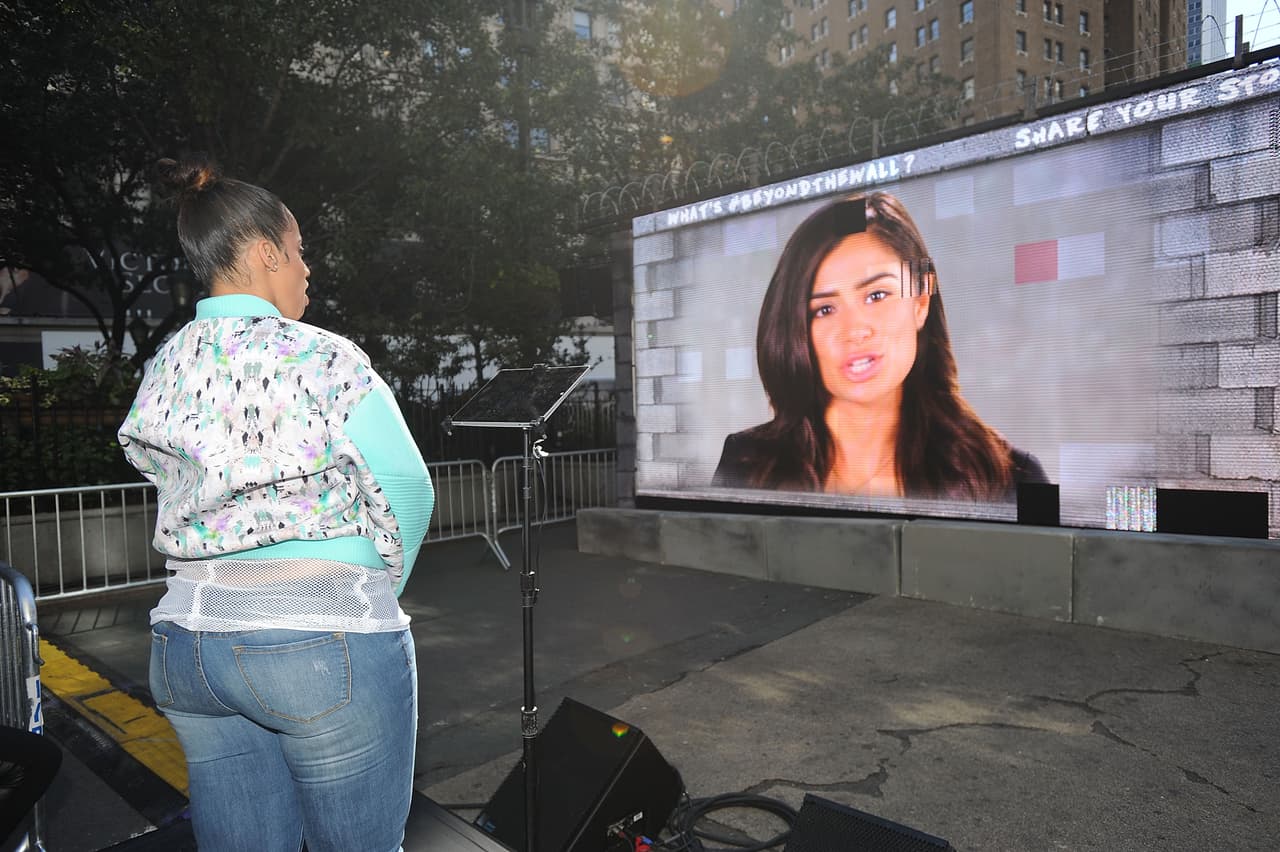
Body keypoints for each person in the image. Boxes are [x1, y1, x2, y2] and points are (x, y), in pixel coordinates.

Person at [118, 158, 434, 852]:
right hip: (318, 640)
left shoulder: (167, 362)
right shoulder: (321, 355)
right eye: (298, 250)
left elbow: (158, 468)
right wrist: (371, 596)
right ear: (267, 254)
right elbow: (408, 489)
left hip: (186, 645)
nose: (307, 268)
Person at [713, 191, 1045, 500]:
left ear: (921, 300)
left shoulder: (1018, 476)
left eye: (876, 295)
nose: (855, 330)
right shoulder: (745, 464)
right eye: (824, 310)